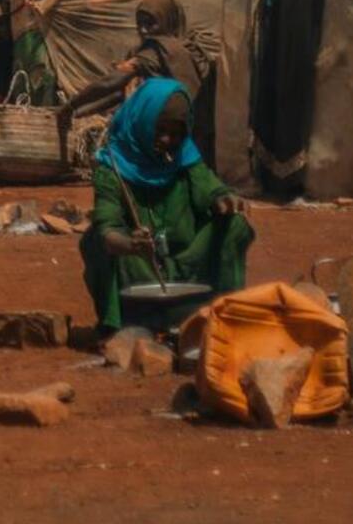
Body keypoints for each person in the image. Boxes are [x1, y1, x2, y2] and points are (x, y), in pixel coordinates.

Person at [79, 77, 251, 335]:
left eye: (177, 133)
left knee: (235, 225)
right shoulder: (111, 169)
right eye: (159, 130)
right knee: (94, 240)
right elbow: (107, 225)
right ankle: (115, 327)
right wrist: (131, 244)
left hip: (187, 263)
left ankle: (226, 318)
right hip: (139, 268)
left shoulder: (186, 158)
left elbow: (209, 188)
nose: (168, 140)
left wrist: (224, 199)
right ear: (142, 122)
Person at [61, 0, 216, 119]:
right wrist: (79, 114)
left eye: (150, 24)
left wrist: (70, 106)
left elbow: (111, 82)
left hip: (173, 132)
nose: (143, 30)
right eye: (139, 24)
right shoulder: (192, 49)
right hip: (203, 133)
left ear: (166, 20)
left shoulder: (159, 49)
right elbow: (118, 94)